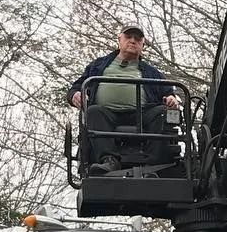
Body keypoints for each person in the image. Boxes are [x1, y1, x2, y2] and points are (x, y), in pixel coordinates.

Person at [67, 25, 180, 174]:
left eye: (137, 39)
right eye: (128, 37)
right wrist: (75, 94)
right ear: (119, 40)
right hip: (107, 114)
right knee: (93, 112)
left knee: (162, 112)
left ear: (142, 45)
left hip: (141, 115)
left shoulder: (151, 72)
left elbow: (169, 92)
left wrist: (172, 99)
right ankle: (109, 160)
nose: (133, 41)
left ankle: (154, 165)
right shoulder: (98, 66)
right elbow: (77, 86)